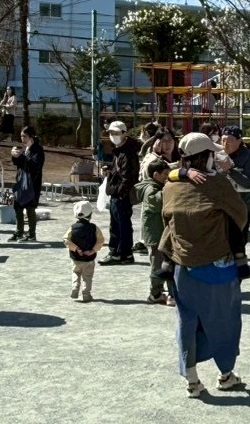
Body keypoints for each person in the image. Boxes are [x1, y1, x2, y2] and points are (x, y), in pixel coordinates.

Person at [160, 132, 250, 397]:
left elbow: (166, 215)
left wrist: (181, 174)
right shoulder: (218, 184)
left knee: (187, 322)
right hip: (218, 265)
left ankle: (192, 380)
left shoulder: (171, 185)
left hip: (181, 265)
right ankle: (226, 374)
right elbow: (240, 215)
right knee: (225, 320)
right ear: (206, 156)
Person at [100, 120, 138, 264]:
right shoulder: (121, 150)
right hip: (119, 193)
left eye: (116, 133)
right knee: (120, 225)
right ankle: (124, 254)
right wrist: (110, 171)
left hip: (121, 195)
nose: (113, 135)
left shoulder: (127, 152)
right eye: (111, 133)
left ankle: (118, 253)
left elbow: (128, 177)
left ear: (124, 134)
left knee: (119, 226)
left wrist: (121, 193)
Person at [138, 158, 172, 305]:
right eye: (165, 174)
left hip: (159, 233)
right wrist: (170, 187)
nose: (167, 177)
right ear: (156, 175)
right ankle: (155, 293)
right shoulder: (150, 189)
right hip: (155, 234)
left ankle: (163, 291)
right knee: (157, 264)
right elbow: (158, 203)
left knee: (165, 263)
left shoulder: (156, 186)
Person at [220, 126, 250, 240]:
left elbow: (248, 183)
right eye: (223, 140)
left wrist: (230, 170)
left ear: (239, 141)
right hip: (221, 207)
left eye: (229, 140)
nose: (225, 144)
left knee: (238, 242)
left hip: (241, 208)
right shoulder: (218, 154)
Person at [65, 199, 105, 303]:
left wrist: (76, 248)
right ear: (90, 215)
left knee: (75, 272)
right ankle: (86, 294)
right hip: (89, 259)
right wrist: (93, 250)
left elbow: (66, 240)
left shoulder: (72, 228)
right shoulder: (94, 228)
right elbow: (100, 241)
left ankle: (75, 287)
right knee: (87, 277)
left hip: (76, 258)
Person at [10, 125, 45, 242]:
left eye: (24, 136)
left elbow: (34, 166)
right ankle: (19, 232)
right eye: (21, 136)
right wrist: (14, 156)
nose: (22, 139)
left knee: (30, 208)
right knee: (18, 206)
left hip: (32, 184)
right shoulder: (26, 149)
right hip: (21, 182)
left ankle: (31, 234)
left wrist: (21, 157)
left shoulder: (38, 150)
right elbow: (20, 164)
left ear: (31, 136)